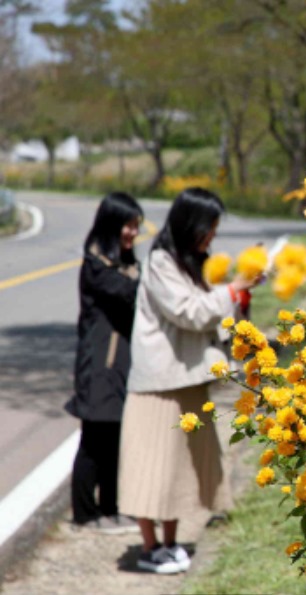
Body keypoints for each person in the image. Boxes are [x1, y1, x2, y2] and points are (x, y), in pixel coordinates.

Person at [118, 187, 258, 574]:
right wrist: (234, 289)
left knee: (180, 468)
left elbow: (209, 307)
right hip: (158, 385)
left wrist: (236, 295)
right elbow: (190, 312)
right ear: (191, 224)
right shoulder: (161, 262)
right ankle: (149, 550)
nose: (212, 236)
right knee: (151, 467)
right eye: (209, 228)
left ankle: (169, 544)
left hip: (187, 379)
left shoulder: (188, 261)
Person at [65, 192, 144, 534]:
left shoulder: (124, 263)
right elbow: (130, 294)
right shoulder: (99, 265)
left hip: (118, 365)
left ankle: (111, 508)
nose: (133, 233)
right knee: (95, 438)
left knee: (115, 437)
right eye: (128, 225)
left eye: (136, 226)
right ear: (112, 225)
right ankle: (85, 514)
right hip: (100, 364)